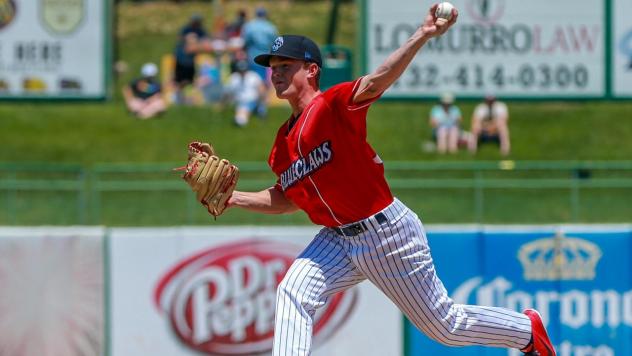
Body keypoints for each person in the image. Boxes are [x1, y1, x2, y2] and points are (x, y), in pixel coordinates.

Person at [226, 4, 556, 356]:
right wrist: (233, 198)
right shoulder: (280, 146)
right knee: (293, 290)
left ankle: (525, 331)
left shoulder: (332, 106)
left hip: (385, 233)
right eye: (273, 68)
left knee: (444, 325)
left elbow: (377, 79)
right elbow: (288, 198)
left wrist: (422, 35)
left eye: (285, 67)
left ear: (311, 70)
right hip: (337, 239)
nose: (275, 74)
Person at [173, 14, 208, 103]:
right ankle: (179, 99)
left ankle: (190, 100)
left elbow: (205, 40)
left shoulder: (201, 30)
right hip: (182, 61)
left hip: (191, 61)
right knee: (180, 82)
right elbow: (182, 43)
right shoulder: (186, 29)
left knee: (191, 81)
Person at [224, 59, 266, 127]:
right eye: (241, 70)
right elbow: (227, 92)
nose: (242, 72)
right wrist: (224, 104)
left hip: (253, 100)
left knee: (243, 112)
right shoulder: (233, 78)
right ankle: (245, 117)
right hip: (239, 102)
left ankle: (242, 119)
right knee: (242, 110)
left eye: (244, 70)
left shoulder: (253, 76)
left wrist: (261, 100)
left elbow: (261, 89)